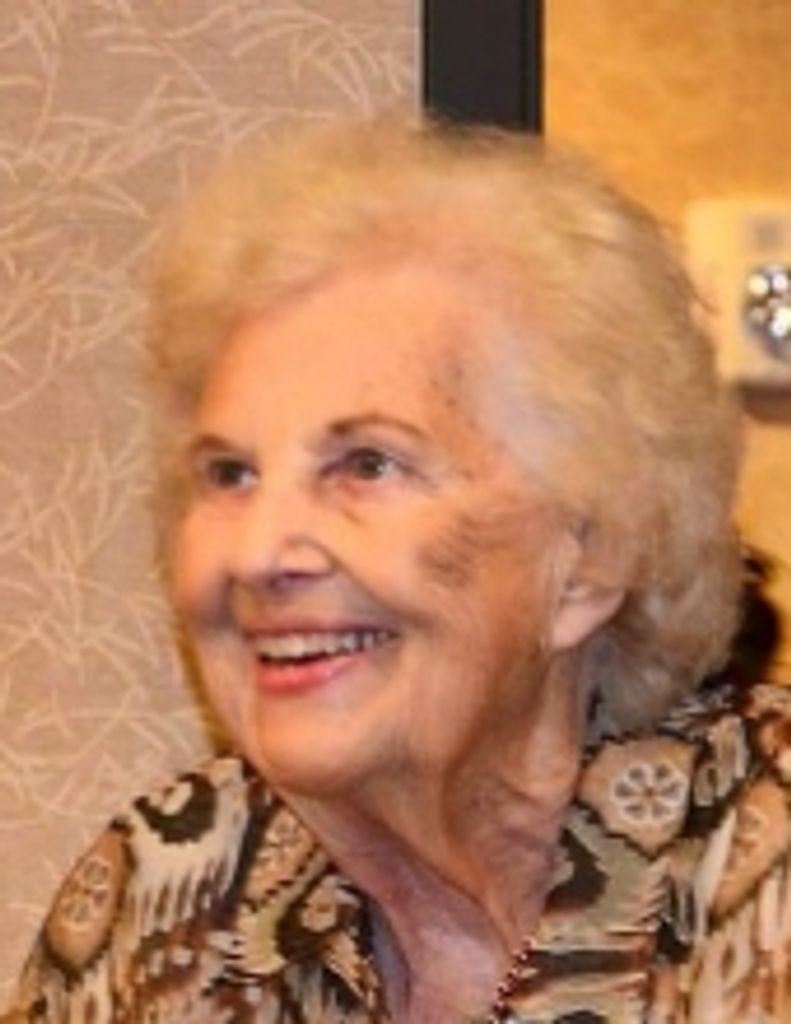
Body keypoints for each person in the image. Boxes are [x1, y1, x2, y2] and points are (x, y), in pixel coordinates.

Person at [3, 117, 790, 1024]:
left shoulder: (762, 876)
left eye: (368, 465)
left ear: (585, 558)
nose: (259, 553)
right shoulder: (162, 896)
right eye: (229, 475)